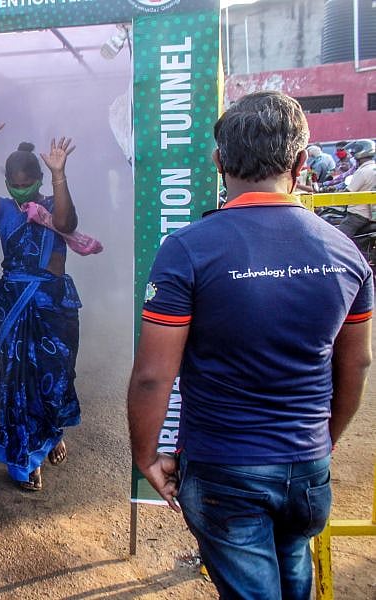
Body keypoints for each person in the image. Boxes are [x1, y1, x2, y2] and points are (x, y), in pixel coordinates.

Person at [127, 91, 372, 600]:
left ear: (219, 161)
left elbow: (154, 374)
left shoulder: (188, 249)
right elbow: (357, 362)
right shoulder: (344, 251)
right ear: (302, 163)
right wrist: (322, 440)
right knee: (292, 579)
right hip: (307, 470)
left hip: (225, 472)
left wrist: (146, 455)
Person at [0, 120, 81, 492]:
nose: (19, 187)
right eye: (13, 182)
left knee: (54, 381)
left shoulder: (50, 205)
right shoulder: (2, 211)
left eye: (25, 180)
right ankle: (25, 456)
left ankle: (52, 434)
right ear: (7, 181)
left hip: (53, 306)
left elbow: (67, 222)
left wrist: (59, 174)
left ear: (38, 179)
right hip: (14, 304)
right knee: (16, 383)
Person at [334, 139, 376, 240]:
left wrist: (330, 199)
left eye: (354, 153)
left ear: (361, 153)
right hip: (368, 214)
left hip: (358, 215)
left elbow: (347, 194)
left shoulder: (362, 171)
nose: (352, 156)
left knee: (338, 240)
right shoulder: (372, 167)